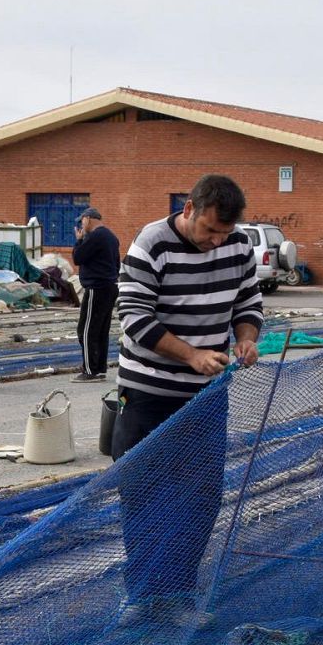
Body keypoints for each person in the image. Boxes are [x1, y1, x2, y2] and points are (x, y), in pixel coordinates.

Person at [112, 173, 263, 601]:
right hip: (148, 394)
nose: (216, 241)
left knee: (199, 497)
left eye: (225, 233)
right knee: (143, 492)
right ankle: (142, 594)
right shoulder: (152, 243)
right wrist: (191, 355)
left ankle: (177, 591)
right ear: (189, 209)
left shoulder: (238, 246)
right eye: (210, 229)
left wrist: (246, 338)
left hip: (206, 397)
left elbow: (248, 303)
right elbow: (135, 318)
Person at [70, 207, 120, 382]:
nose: (81, 225)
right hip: (110, 286)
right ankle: (99, 369)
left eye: (82, 221)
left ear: (88, 219)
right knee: (100, 330)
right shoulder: (111, 236)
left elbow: (78, 258)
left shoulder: (95, 236)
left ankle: (90, 371)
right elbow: (117, 264)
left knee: (86, 330)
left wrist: (79, 240)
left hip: (96, 288)